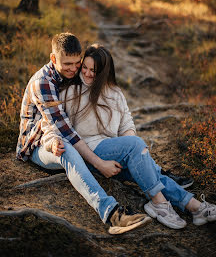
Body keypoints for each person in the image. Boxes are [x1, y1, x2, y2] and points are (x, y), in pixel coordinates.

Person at [42, 44, 216, 230]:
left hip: (112, 151)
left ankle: (195, 208)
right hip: (87, 153)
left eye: (93, 70)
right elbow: (51, 123)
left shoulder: (114, 93)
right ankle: (158, 203)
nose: (86, 73)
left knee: (148, 169)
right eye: (84, 67)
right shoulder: (68, 92)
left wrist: (130, 154)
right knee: (136, 147)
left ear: (104, 71)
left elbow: (127, 125)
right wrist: (51, 142)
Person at [16, 32, 151, 235]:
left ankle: (168, 191)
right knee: (67, 149)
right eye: (67, 64)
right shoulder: (43, 82)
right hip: (38, 145)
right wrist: (98, 162)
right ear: (53, 59)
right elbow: (62, 130)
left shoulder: (71, 76)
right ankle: (112, 213)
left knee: (126, 156)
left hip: (66, 139)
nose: (73, 68)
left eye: (76, 63)